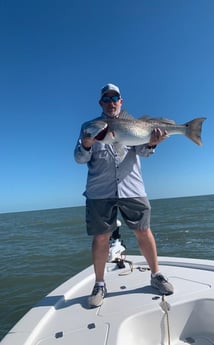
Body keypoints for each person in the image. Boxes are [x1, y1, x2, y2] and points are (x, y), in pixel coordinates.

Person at [74, 83, 174, 308]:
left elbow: (144, 153)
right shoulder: (89, 126)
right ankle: (100, 284)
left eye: (115, 98)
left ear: (121, 101)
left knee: (143, 231)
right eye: (106, 99)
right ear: (101, 103)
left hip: (132, 188)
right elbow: (79, 159)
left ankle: (156, 274)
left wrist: (152, 143)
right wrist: (87, 145)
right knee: (100, 237)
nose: (111, 102)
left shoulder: (134, 124)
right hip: (99, 192)